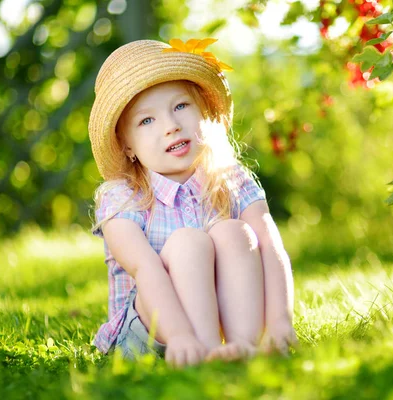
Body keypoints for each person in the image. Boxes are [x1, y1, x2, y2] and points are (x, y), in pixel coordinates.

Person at [88, 38, 297, 368]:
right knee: (189, 242)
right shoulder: (122, 197)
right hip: (147, 332)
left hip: (212, 323)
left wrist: (280, 322)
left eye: (180, 106)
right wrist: (182, 335)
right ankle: (205, 349)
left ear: (203, 111)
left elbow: (270, 246)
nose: (171, 126)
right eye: (147, 121)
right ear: (126, 145)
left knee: (235, 232)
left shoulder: (231, 178)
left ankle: (241, 346)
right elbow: (146, 268)